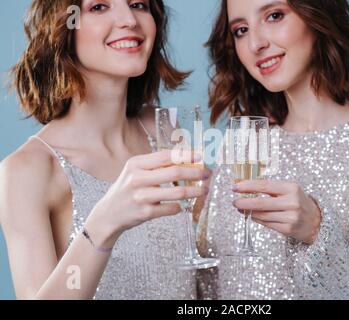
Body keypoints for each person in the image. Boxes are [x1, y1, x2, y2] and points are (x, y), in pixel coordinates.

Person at [197, 0, 349, 299]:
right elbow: (210, 287)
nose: (256, 43)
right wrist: (196, 220)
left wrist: (319, 233)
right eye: (241, 30)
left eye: (274, 15)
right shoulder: (242, 147)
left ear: (317, 15)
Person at [0, 0, 210, 300]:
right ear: (63, 25)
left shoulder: (164, 131)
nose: (129, 20)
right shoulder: (28, 170)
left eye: (138, 4)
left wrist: (211, 215)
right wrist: (104, 224)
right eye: (99, 6)